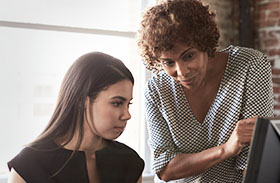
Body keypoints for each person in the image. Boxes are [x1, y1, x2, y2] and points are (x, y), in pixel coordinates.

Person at [137, 0, 273, 182]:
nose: (182, 71)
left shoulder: (250, 66)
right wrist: (226, 149)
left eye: (189, 56)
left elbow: (252, 161)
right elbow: (165, 169)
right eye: (169, 62)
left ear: (205, 43)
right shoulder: (156, 90)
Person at [7, 52, 144, 183]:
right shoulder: (29, 164)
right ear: (81, 100)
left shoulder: (130, 162)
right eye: (116, 103)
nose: (127, 115)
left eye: (128, 104)